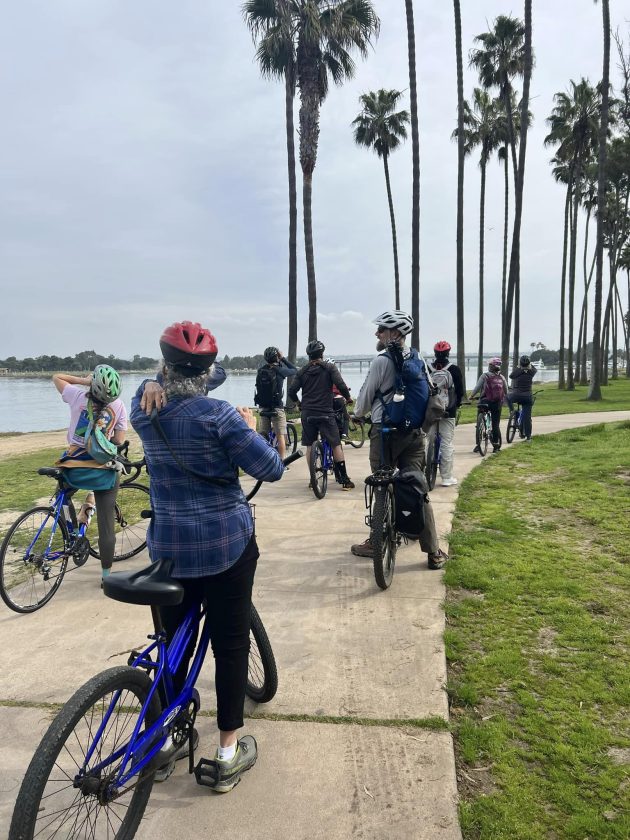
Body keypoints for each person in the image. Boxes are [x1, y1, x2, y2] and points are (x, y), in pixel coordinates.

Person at [130, 320, 284, 791]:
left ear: (164, 364)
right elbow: (271, 468)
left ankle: (165, 737)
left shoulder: (144, 409)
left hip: (169, 549)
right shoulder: (220, 417)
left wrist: (152, 381)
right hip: (224, 546)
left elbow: (183, 380)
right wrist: (252, 426)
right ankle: (226, 750)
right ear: (209, 368)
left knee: (173, 640)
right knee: (231, 642)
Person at [350, 311, 449, 570]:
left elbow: (366, 396)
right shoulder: (418, 358)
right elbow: (429, 391)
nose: (377, 334)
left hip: (384, 432)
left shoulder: (381, 361)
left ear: (394, 333)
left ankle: (376, 540)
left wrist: (357, 415)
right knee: (417, 489)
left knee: (382, 483)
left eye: (381, 329)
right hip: (413, 435)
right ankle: (434, 550)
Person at [53, 365, 127, 580]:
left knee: (63, 496)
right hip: (102, 470)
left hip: (73, 464)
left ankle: (72, 535)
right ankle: (105, 576)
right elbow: (119, 440)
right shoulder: (118, 405)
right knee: (106, 526)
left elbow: (57, 375)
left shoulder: (76, 395)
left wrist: (84, 381)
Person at [287, 341, 355, 490]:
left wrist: (299, 403)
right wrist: (348, 398)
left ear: (309, 356)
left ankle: (313, 479)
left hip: (307, 413)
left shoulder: (302, 371)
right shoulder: (329, 368)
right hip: (325, 412)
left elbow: (292, 391)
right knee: (336, 444)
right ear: (322, 354)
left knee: (310, 444)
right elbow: (341, 385)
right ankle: (344, 481)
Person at [426, 340, 465, 487]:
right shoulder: (454, 369)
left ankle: (424, 473)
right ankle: (447, 478)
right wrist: (458, 403)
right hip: (448, 410)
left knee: (427, 441)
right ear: (448, 353)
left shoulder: (428, 369)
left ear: (435, 353)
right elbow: (460, 391)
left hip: (430, 410)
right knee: (446, 443)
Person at [254, 346, 297, 459]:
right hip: (276, 408)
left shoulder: (261, 370)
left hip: (263, 408)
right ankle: (282, 464)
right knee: (280, 436)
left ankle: (263, 460)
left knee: (263, 436)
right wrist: (283, 359)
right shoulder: (280, 371)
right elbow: (294, 369)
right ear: (276, 357)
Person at [469, 357, 509, 452]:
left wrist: (471, 396)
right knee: (495, 424)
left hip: (484, 402)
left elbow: (477, 387)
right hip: (497, 403)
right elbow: (506, 391)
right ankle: (496, 446)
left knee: (479, 423)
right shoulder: (502, 377)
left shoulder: (485, 376)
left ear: (490, 366)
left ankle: (478, 446)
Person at [508, 355, 538, 440]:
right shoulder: (532, 372)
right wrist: (529, 365)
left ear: (520, 363)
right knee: (527, 417)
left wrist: (519, 367)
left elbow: (511, 376)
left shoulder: (518, 372)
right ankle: (528, 437)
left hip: (516, 395)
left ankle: (511, 411)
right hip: (527, 396)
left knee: (507, 397)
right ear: (529, 363)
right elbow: (534, 368)